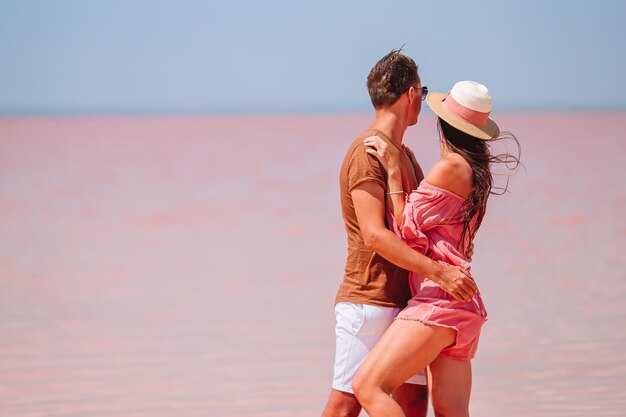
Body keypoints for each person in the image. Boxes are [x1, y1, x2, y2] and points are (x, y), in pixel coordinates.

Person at [321, 51, 479, 417]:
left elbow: (419, 228)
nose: (422, 101)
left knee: (411, 404)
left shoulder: (404, 157)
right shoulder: (368, 152)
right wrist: (441, 273)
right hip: (369, 297)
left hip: (409, 305)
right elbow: (375, 235)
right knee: (345, 405)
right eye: (422, 93)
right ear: (410, 94)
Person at [352, 81, 521, 417]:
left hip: (438, 299)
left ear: (443, 123)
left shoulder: (448, 168)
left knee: (368, 387)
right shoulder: (474, 171)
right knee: (451, 412)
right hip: (463, 305)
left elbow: (405, 232)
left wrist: (393, 172)